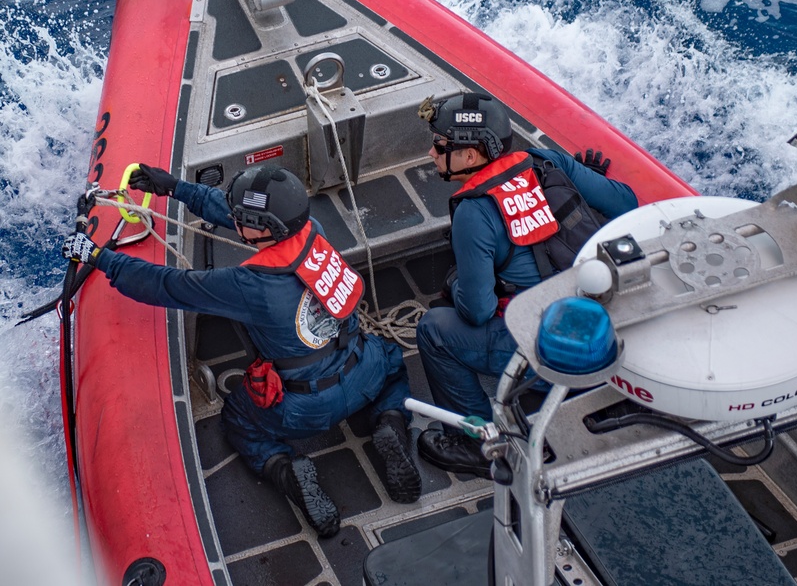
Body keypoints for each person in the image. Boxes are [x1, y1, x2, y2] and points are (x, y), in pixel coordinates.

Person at [61, 163, 421, 538]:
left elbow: (167, 284)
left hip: (306, 409)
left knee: (240, 419)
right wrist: (175, 188)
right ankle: (391, 423)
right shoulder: (315, 232)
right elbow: (238, 214)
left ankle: (287, 470)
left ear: (263, 228)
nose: (233, 217)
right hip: (362, 370)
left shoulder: (247, 284)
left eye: (242, 217)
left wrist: (100, 257)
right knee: (392, 362)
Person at [415, 92, 638, 478]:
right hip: (604, 329)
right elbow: (626, 204)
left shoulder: (474, 211)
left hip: (551, 351)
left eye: (439, 145)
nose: (431, 153)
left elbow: (478, 310)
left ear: (471, 156)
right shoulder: (547, 161)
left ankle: (479, 444)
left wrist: (455, 288)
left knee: (435, 328)